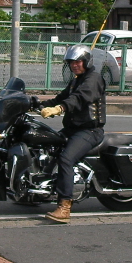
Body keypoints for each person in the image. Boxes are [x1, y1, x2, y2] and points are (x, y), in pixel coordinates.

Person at [38, 44, 106, 223]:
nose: (74, 65)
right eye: (71, 62)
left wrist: (59, 109)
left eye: (78, 61)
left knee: (66, 158)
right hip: (72, 129)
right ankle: (36, 192)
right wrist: (35, 104)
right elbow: (61, 98)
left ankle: (64, 206)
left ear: (87, 61)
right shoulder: (76, 80)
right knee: (46, 145)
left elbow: (80, 98)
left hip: (89, 130)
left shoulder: (94, 79)